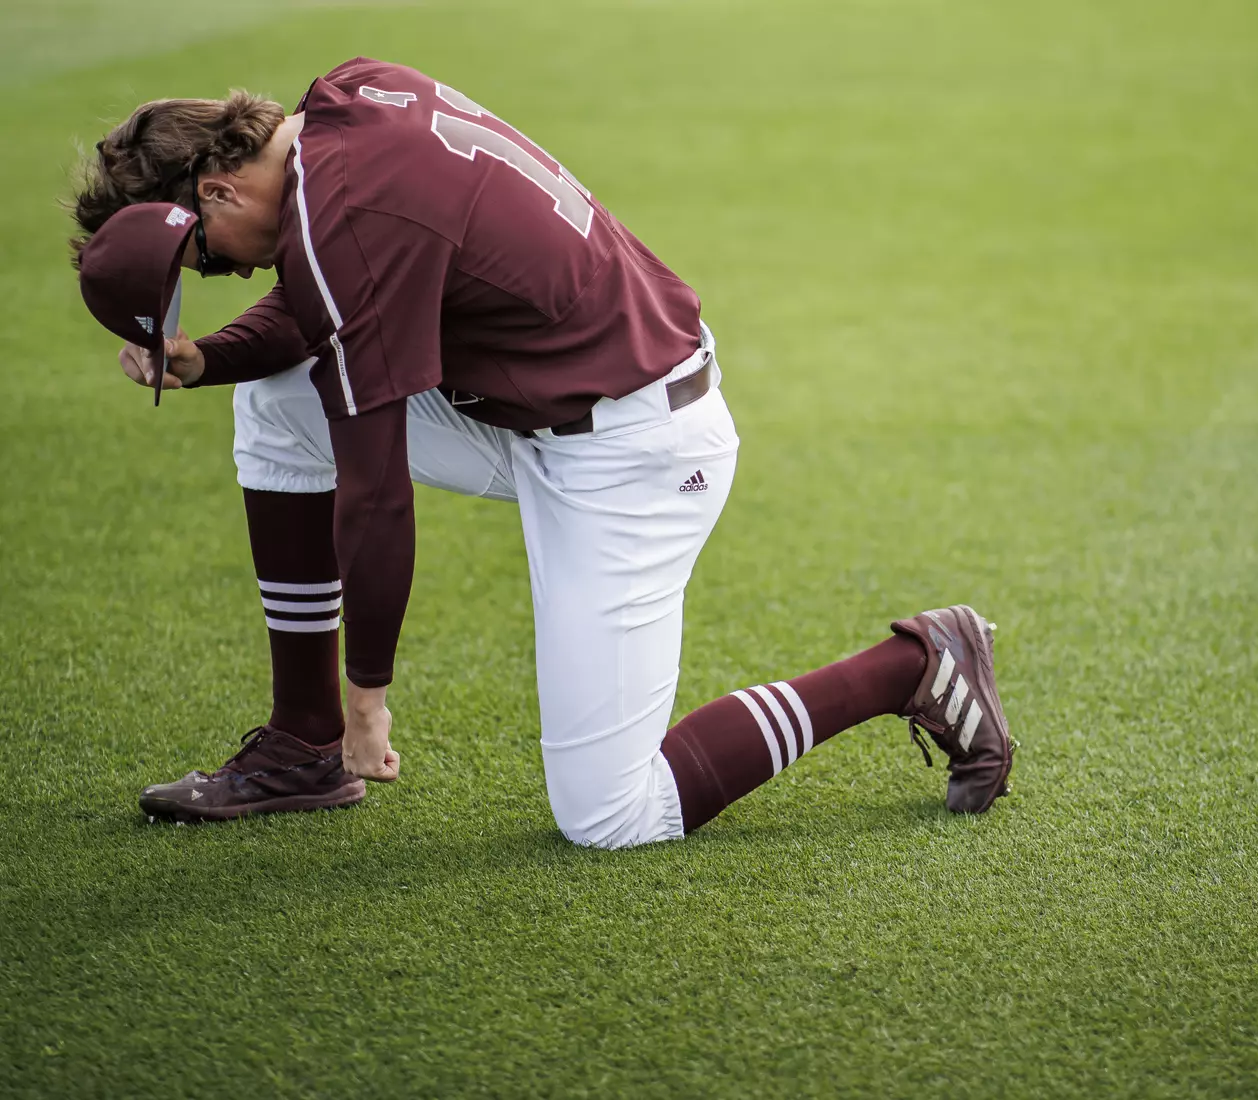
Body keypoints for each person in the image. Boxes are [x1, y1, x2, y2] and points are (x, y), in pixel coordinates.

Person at [68, 58, 1014, 847]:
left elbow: (376, 498)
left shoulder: (342, 220)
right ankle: (299, 746)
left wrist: (371, 701)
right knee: (275, 404)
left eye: (205, 255)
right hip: (548, 410)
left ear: (219, 185)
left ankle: (917, 665)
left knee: (611, 814)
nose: (226, 271)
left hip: (638, 454)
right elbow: (337, 289)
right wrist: (210, 360)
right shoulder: (347, 101)